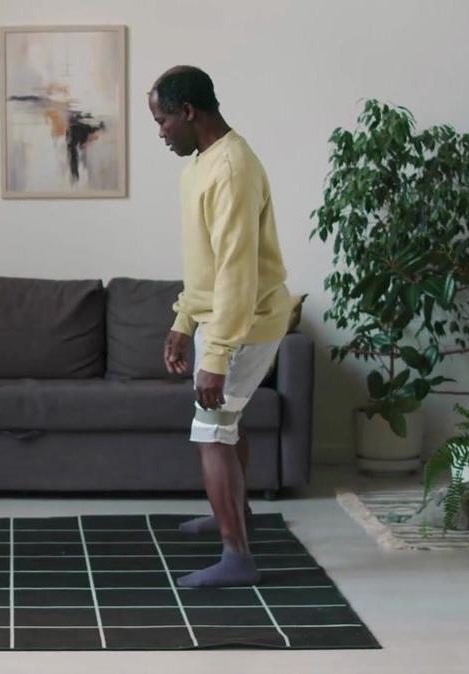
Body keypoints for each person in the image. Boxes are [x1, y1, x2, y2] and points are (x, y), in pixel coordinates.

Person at [148, 66, 293, 587]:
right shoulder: (201, 164)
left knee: (211, 432)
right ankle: (234, 512)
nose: (160, 130)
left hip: (246, 322)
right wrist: (183, 320)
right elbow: (204, 263)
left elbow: (237, 271)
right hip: (221, 318)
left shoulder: (232, 169)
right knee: (227, 426)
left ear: (189, 113)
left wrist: (215, 356)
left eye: (162, 119)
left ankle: (237, 556)